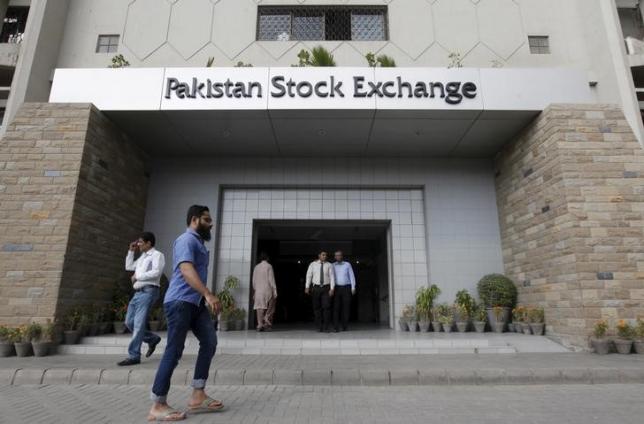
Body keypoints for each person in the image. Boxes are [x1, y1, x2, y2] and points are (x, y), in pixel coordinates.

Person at [148, 205, 224, 422]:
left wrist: (203, 298)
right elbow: (186, 269)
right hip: (180, 302)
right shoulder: (186, 240)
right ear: (194, 220)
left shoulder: (198, 242)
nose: (211, 223)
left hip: (195, 303)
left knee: (209, 341)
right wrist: (208, 294)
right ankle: (158, 404)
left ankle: (198, 394)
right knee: (175, 350)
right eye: (207, 220)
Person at [118, 232, 165, 366]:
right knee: (129, 322)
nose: (138, 244)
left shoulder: (157, 255)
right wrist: (131, 252)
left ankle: (134, 356)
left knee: (138, 324)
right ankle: (152, 339)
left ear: (149, 243)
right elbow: (129, 267)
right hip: (138, 293)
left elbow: (157, 272)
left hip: (149, 291)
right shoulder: (142, 257)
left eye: (140, 242)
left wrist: (138, 276)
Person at [305, 251, 335, 332]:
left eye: (326, 255)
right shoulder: (313, 264)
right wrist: (307, 287)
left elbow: (332, 277)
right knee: (316, 308)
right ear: (319, 256)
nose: (325, 256)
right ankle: (319, 326)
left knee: (326, 307)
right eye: (323, 255)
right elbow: (309, 276)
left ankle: (326, 327)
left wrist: (332, 288)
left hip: (326, 288)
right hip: (316, 288)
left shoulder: (329, 265)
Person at [252, 252, 277, 332]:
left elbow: (254, 280)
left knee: (259, 308)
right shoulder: (269, 266)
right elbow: (271, 279)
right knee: (271, 306)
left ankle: (259, 325)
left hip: (258, 290)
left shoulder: (256, 267)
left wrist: (255, 290)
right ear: (267, 258)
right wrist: (275, 290)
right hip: (267, 289)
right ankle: (267, 321)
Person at [332, 250, 356, 332]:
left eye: (339, 255)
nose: (338, 257)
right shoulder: (332, 265)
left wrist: (353, 287)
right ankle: (336, 327)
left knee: (346, 308)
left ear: (342, 256)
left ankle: (344, 326)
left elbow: (352, 276)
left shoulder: (347, 264)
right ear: (335, 257)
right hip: (336, 288)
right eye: (336, 255)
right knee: (336, 308)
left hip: (346, 288)